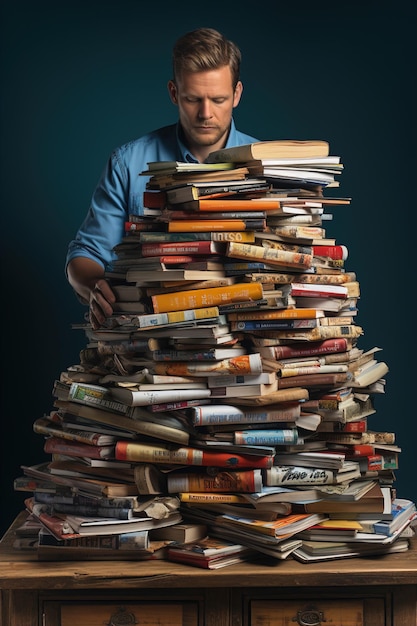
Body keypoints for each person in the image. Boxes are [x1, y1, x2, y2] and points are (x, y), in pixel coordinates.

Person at [66, 27, 259, 329]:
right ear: (173, 93)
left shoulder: (270, 167)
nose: (205, 113)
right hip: (152, 340)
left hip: (242, 335)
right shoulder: (128, 163)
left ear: (236, 95)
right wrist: (93, 287)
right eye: (193, 99)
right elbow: (87, 253)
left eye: (218, 99)